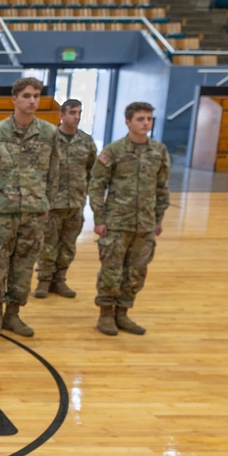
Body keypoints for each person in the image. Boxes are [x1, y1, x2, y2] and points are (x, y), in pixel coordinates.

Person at [0, 76, 58, 338]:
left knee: (25, 264)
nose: (32, 100)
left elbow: (54, 172)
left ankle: (14, 313)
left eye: (36, 95)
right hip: (2, 210)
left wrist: (48, 202)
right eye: (26, 95)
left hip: (34, 210)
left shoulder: (49, 133)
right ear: (14, 99)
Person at [88, 101, 170, 336]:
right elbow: (96, 186)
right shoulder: (114, 151)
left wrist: (157, 219)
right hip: (116, 223)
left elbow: (163, 189)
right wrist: (100, 218)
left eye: (149, 119)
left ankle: (122, 313)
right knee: (111, 270)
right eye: (141, 119)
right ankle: (105, 314)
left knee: (136, 272)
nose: (146, 123)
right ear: (128, 122)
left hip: (144, 224)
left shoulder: (159, 151)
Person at [34, 99, 97, 299]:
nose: (76, 117)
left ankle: (59, 280)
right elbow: (39, 170)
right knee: (48, 244)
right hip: (52, 204)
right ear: (62, 115)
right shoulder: (49, 139)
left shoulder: (86, 141)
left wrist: (86, 195)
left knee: (68, 245)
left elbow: (92, 172)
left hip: (76, 203)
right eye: (72, 112)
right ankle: (44, 281)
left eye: (79, 112)